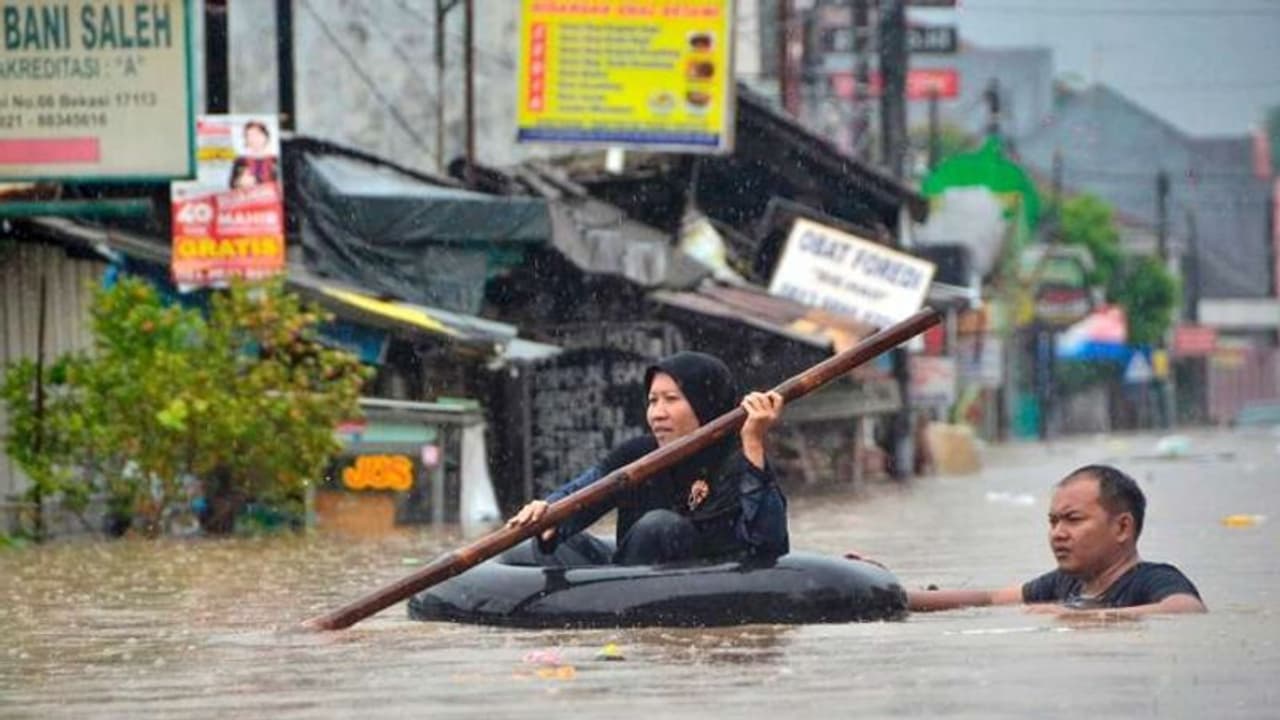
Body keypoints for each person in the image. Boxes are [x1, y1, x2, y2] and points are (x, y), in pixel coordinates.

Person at [506, 351, 789, 566]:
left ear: (706, 402)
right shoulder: (638, 454)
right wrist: (551, 512)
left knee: (659, 527)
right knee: (553, 546)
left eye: (671, 399)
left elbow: (770, 543)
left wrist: (753, 440)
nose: (657, 413)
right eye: (653, 401)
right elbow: (584, 491)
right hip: (630, 574)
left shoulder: (738, 457)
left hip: (704, 581)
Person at [904, 464, 1206, 617]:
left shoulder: (1152, 580)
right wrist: (894, 594)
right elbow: (990, 598)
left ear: (1122, 528)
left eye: (1073, 520)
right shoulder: (1067, 584)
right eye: (1053, 521)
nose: (1058, 533)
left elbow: (1187, 609)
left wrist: (1087, 617)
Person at [228, 120, 278, 189]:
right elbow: (232, 185)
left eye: (257, 134)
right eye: (249, 135)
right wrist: (240, 183)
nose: (253, 139)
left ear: (265, 136)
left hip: (271, 199)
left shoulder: (276, 160)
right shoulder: (240, 161)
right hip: (250, 199)